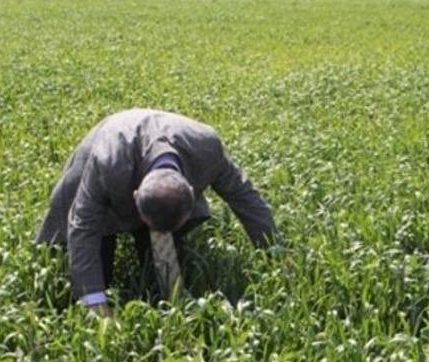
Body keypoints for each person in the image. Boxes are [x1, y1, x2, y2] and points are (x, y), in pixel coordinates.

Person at [36, 109, 277, 316]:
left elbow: (245, 198)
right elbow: (83, 224)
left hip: (166, 145)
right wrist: (94, 301)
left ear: (191, 193)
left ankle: (152, 241)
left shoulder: (206, 148)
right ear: (135, 196)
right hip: (111, 144)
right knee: (99, 265)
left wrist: (275, 252)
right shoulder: (107, 162)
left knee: (162, 263)